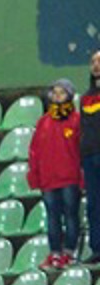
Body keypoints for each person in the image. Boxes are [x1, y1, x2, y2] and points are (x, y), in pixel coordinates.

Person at [29, 78, 85, 268]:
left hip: (70, 178)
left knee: (71, 215)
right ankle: (55, 253)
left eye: (61, 92)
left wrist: (82, 178)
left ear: (69, 96)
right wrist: (35, 176)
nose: (57, 96)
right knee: (52, 217)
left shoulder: (77, 120)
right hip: (48, 180)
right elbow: (35, 150)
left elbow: (82, 150)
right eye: (55, 92)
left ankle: (69, 252)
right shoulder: (43, 122)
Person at [83, 51, 100, 263]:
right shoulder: (86, 98)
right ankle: (97, 247)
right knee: (94, 204)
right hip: (90, 156)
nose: (96, 65)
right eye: (93, 62)